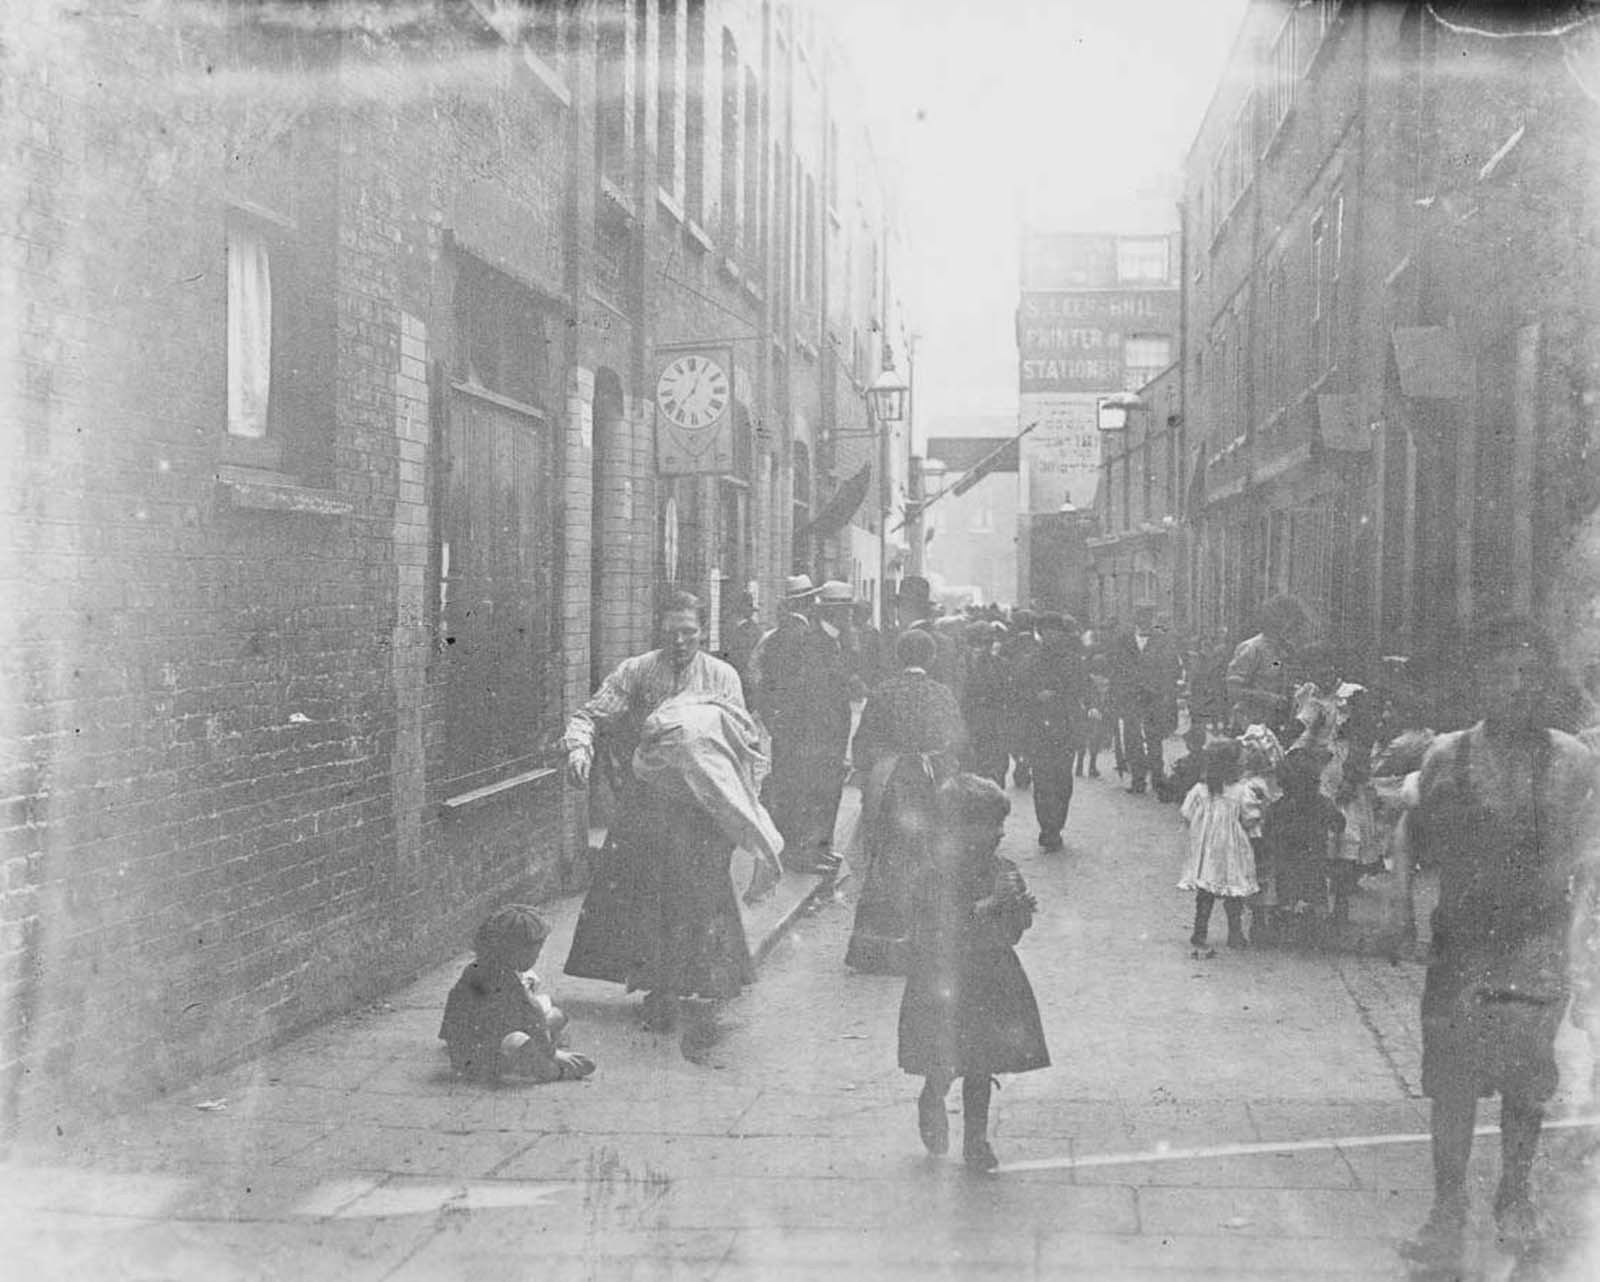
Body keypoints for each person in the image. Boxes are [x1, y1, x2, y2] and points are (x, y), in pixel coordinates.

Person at [1400, 617, 1600, 1265]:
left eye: (1530, 674)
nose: (1518, 687)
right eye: (1503, 674)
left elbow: (1586, 858)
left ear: (1546, 682)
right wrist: (1404, 921)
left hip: (1536, 944)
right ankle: (1446, 1205)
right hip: (1461, 945)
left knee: (1525, 1080)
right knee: (1451, 1082)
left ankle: (1514, 1194)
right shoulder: (1445, 757)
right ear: (1480, 681)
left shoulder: (1574, 762)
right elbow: (1420, 845)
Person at [560, 591, 763, 1032]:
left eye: (689, 632)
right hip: (648, 801)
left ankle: (702, 979)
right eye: (672, 633)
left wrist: (745, 806)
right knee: (647, 892)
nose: (680, 642)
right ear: (660, 631)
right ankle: (660, 986)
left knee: (701, 890)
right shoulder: (636, 672)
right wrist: (580, 750)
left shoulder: (722, 677)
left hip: (702, 806)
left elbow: (744, 741)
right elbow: (590, 715)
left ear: (703, 632)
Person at [897, 774, 1049, 1171]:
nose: (1000, 833)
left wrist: (1018, 910)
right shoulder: (935, 872)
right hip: (945, 980)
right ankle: (932, 1097)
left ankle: (976, 1142)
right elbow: (936, 928)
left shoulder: (1004, 868)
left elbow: (1013, 933)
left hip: (990, 975)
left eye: (1001, 824)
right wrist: (989, 904)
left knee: (982, 1063)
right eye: (991, 824)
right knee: (946, 1060)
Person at [844, 629, 968, 974]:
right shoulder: (941, 694)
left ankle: (878, 950)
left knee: (887, 859)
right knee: (929, 857)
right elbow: (958, 741)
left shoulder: (883, 692)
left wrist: (871, 770)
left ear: (899, 657)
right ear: (930, 658)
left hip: (892, 783)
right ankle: (926, 946)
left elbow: (864, 741)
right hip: (930, 783)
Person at [750, 575, 854, 875]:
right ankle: (806, 853)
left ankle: (819, 850)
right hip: (812, 736)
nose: (849, 616)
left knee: (823, 793)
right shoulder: (808, 641)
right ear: (831, 612)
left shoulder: (833, 640)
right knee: (809, 795)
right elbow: (799, 693)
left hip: (827, 735)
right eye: (845, 610)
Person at [440, 905, 596, 1083]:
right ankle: (555, 1071)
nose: (538, 956)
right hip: (481, 1060)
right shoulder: (505, 980)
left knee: (552, 1014)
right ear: (516, 951)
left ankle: (548, 1052)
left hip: (472, 1045)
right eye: (535, 951)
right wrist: (552, 1054)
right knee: (523, 1038)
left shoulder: (477, 968)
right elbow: (533, 1016)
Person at [1178, 738, 1262, 955]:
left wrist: (1202, 828)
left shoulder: (1200, 790)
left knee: (1205, 892)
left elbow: (1186, 813)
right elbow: (1250, 817)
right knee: (1233, 892)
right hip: (1232, 849)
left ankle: (1199, 932)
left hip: (1208, 850)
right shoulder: (1241, 792)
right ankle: (1235, 934)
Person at [1260, 748, 1346, 947]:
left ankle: (1285, 924)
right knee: (1315, 892)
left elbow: (1267, 832)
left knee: (1286, 892)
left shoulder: (1278, 807)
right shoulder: (1323, 804)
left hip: (1285, 861)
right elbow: (1340, 823)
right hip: (1314, 860)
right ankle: (1313, 929)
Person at [1018, 613, 1089, 852]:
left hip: (1065, 727)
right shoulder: (1030, 661)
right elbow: (1020, 693)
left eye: (1055, 631)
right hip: (1038, 728)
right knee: (1042, 780)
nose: (1050, 636)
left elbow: (1082, 690)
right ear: (1040, 633)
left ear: (1061, 634)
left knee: (1062, 780)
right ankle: (1048, 828)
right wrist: (1036, 697)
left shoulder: (1073, 661)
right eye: (1045, 631)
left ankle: (1057, 824)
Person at [1110, 604, 1183, 795]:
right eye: (1139, 615)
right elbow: (1115, 668)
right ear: (1134, 617)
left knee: (1154, 739)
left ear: (1152, 618)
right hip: (1130, 698)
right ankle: (1138, 780)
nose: (1143, 619)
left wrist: (1163, 690)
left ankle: (1158, 779)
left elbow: (1173, 668)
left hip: (1154, 698)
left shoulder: (1163, 640)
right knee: (1132, 738)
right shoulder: (1123, 640)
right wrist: (1120, 692)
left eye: (1147, 616)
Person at [1226, 595, 1307, 736]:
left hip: (1278, 726)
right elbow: (1233, 690)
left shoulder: (1286, 650)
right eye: (1287, 620)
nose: (1292, 627)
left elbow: (1278, 669)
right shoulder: (1252, 648)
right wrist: (1270, 698)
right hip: (1249, 726)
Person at [960, 621, 1010, 790]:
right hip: (968, 730)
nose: (983, 647)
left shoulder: (1001, 665)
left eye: (988, 642)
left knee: (994, 781)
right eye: (978, 643)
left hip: (993, 730)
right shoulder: (960, 666)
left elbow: (1008, 696)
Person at [1000, 609, 1040, 789]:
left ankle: (1020, 761)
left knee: (1016, 733)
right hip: (1034, 699)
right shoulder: (1038, 645)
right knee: (1032, 732)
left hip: (1013, 698)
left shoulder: (1008, 645)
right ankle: (1026, 763)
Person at [1074, 654, 1112, 780]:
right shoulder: (1106, 681)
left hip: (1086, 712)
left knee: (1083, 739)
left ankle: (1079, 766)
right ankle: (1092, 767)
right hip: (1099, 713)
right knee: (1096, 740)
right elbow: (1107, 699)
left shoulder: (1087, 679)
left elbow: (1082, 695)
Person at [1157, 724, 1210, 803]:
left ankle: (1173, 796)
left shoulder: (1197, 757)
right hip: (1192, 782)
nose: (1186, 744)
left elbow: (1190, 772)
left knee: (1171, 781)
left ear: (1191, 744)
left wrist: (1178, 767)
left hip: (1191, 784)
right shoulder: (1200, 754)